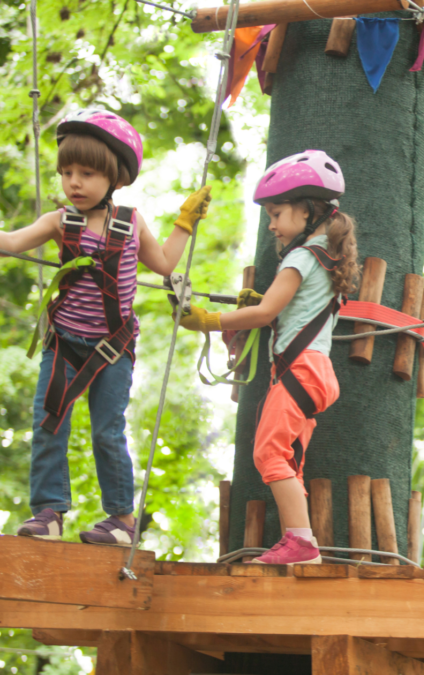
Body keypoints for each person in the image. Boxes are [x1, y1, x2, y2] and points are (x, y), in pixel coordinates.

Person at [1, 109, 211, 546]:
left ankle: (120, 520)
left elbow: (165, 265)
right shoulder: (60, 222)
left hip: (112, 350)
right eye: (66, 172)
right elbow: (11, 243)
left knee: (106, 430)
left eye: (87, 173)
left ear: (115, 178)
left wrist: (184, 223)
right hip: (63, 345)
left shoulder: (131, 223)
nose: (73, 183)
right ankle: (49, 512)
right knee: (48, 423)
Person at [178, 150, 358, 566]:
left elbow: (265, 313)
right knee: (287, 459)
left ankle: (301, 543)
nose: (272, 225)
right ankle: (299, 540)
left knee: (267, 454)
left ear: (308, 210)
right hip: (313, 372)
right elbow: (284, 309)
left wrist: (208, 319)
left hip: (302, 370)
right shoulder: (323, 256)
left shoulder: (299, 258)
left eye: (277, 213)